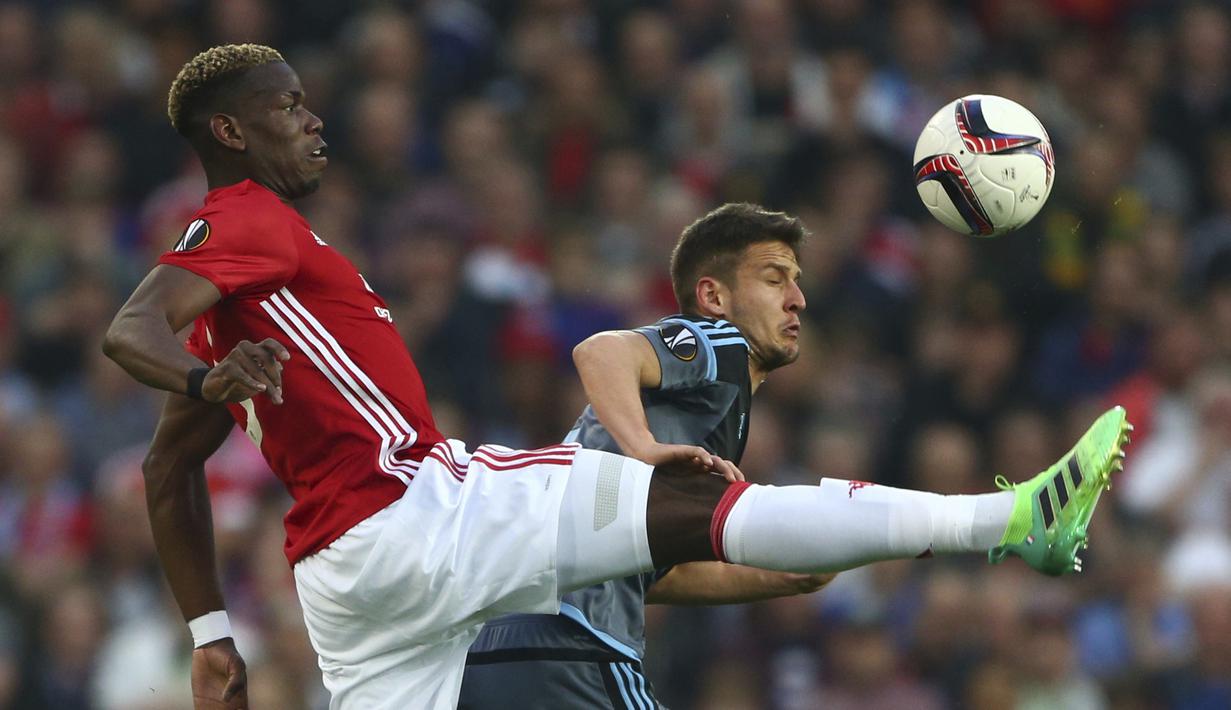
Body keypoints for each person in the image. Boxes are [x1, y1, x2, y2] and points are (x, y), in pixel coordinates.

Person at [102, 45, 1132, 710]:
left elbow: (164, 472)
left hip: (344, 591)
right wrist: (640, 451)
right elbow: (129, 326)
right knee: (683, 494)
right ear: (232, 133)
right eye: (287, 107)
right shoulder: (247, 222)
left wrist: (210, 636)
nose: (311, 119)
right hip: (411, 510)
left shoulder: (245, 306)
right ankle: (1005, 523)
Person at [460, 205, 833, 709]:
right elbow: (600, 351)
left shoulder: (706, 408)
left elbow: (652, 573)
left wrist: (780, 578)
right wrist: (643, 446)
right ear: (713, 296)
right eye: (774, 280)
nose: (797, 300)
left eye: (796, 281)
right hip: (580, 642)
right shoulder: (719, 343)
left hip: (499, 640)